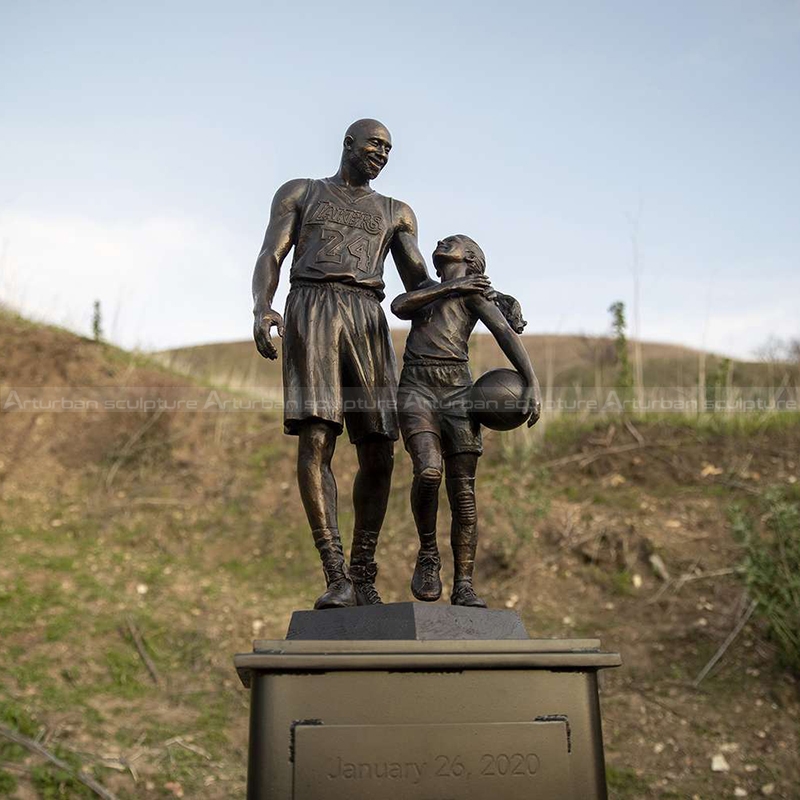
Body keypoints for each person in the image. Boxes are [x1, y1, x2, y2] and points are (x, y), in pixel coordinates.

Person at [252, 119, 434, 610]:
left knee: (379, 447)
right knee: (318, 436)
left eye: (390, 148)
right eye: (375, 143)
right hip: (312, 306)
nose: (382, 153)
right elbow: (272, 252)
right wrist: (261, 305)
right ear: (348, 144)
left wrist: (476, 291)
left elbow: (420, 282)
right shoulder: (301, 192)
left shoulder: (397, 213)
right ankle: (335, 571)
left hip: (367, 316)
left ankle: (363, 571)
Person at [391, 235, 541, 607]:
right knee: (428, 470)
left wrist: (532, 382)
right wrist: (453, 285)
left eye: (453, 241)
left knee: (465, 499)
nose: (443, 240)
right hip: (417, 388)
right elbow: (398, 305)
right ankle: (428, 553)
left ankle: (464, 584)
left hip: (459, 392)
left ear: (471, 259)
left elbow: (504, 333)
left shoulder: (474, 296)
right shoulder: (426, 289)